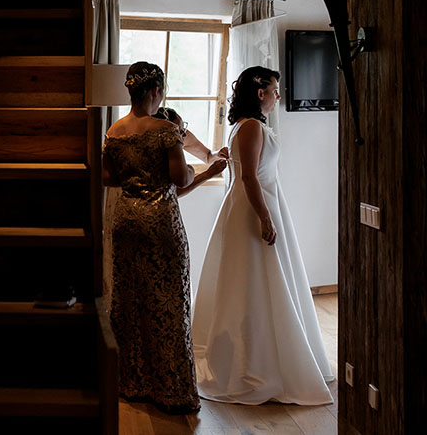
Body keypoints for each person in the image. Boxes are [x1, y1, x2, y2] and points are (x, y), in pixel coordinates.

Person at [192, 66, 334, 405]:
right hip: (253, 208)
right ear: (260, 94)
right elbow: (250, 178)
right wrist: (265, 217)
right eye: (275, 90)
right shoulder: (252, 126)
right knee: (254, 280)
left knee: (262, 280)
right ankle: (256, 362)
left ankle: (270, 353)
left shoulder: (245, 125)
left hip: (259, 203)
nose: (278, 96)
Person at [101, 61, 200, 413]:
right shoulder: (165, 130)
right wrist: (190, 169)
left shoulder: (113, 131)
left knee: (129, 301)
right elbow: (180, 178)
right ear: (156, 91)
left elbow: (108, 178)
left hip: (126, 221)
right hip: (159, 222)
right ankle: (170, 390)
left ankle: (132, 383)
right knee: (168, 301)